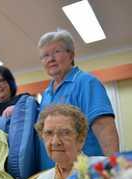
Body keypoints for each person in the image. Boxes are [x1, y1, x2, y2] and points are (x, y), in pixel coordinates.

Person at [38, 29, 119, 169]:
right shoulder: (46, 93)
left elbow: (104, 127)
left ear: (71, 55)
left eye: (56, 52)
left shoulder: (86, 82)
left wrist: (114, 169)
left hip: (86, 172)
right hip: (54, 174)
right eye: (45, 55)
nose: (50, 59)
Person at [31, 104, 88, 179]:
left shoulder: (105, 170)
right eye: (49, 133)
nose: (55, 142)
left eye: (65, 133)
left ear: (81, 139)